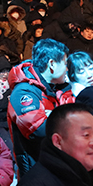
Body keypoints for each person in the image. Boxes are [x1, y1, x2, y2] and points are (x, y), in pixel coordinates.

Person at [7, 38, 74, 175]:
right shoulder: (24, 92)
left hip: (56, 164)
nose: (67, 69)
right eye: (65, 63)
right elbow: (39, 129)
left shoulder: (55, 88)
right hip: (36, 169)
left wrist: (52, 115)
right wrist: (63, 117)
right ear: (52, 64)